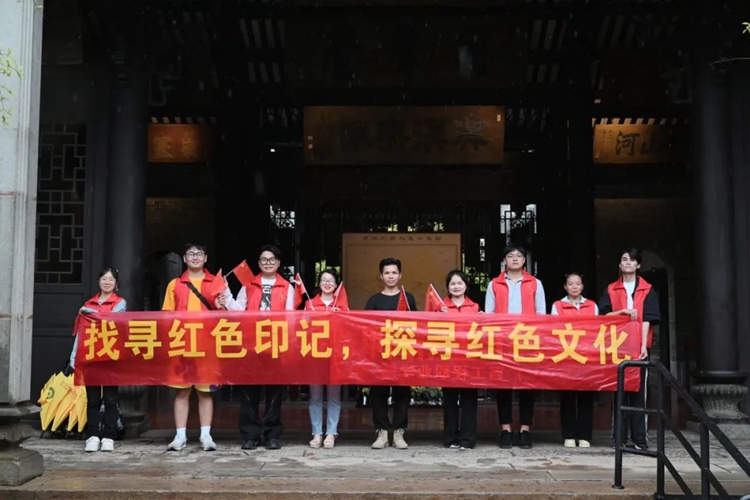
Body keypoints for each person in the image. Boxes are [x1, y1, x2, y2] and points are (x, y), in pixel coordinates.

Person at [220, 244, 295, 450]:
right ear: (259, 263)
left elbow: (291, 318)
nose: (268, 263)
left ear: (278, 263)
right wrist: (226, 294)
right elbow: (238, 310)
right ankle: (250, 435)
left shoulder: (287, 288)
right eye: (264, 260)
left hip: (276, 345)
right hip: (251, 345)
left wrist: (288, 345)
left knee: (274, 392)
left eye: (272, 260)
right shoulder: (249, 285)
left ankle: (272, 434)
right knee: (249, 391)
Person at [485, 243, 546, 449]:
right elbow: (489, 315)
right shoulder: (494, 284)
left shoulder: (535, 283)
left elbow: (541, 314)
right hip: (502, 342)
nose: (514, 258)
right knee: (502, 387)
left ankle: (525, 430)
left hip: (527, 341)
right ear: (504, 260)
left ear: (524, 260)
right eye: (510, 255)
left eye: (519, 255)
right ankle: (506, 430)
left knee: (527, 387)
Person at [598, 247, 660, 450]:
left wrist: (643, 346)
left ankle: (640, 438)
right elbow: (603, 315)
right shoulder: (611, 289)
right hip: (618, 346)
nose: (628, 263)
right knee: (619, 392)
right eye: (624, 259)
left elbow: (648, 319)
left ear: (638, 265)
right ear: (619, 264)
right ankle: (619, 437)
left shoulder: (647, 289)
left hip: (639, 346)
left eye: (632, 260)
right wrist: (622, 312)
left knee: (639, 393)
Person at [161, 243, 218, 452]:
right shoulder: (175, 284)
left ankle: (206, 435)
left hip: (207, 345)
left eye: (199, 253)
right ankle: (180, 436)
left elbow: (226, 313)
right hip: (182, 345)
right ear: (184, 258)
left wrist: (222, 303)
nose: (195, 257)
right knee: (182, 392)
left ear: (206, 258)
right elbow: (166, 315)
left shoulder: (216, 283)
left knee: (205, 392)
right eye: (191, 254)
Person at [69, 267, 126, 453]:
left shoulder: (120, 303)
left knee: (110, 399)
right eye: (104, 279)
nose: (107, 282)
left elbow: (110, 320)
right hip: (91, 355)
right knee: (92, 399)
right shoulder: (89, 303)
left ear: (116, 283)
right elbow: (81, 333)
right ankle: (93, 435)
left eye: (111, 279)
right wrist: (74, 356)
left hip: (110, 357)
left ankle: (109, 436)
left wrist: (88, 312)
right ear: (98, 281)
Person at [364, 257, 417, 450]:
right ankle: (382, 431)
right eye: (387, 273)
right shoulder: (374, 300)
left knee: (402, 393)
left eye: (394, 272)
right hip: (380, 355)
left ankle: (399, 431)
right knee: (378, 393)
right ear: (381, 276)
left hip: (402, 353)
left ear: (400, 275)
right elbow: (366, 328)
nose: (391, 276)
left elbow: (417, 325)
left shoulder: (408, 298)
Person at [551, 272, 598, 448]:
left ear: (582, 286)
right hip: (566, 356)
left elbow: (597, 329)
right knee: (567, 397)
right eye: (570, 284)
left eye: (577, 283)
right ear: (565, 287)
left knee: (586, 396)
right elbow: (553, 329)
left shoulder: (592, 305)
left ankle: (585, 435)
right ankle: (569, 434)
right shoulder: (557, 305)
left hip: (587, 356)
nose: (574, 287)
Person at [306, 269, 349, 449]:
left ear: (336, 284)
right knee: (315, 396)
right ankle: (316, 433)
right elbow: (302, 327)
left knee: (333, 397)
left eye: (331, 280)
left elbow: (348, 329)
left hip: (335, 356)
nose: (327, 283)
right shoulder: (310, 303)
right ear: (319, 283)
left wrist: (340, 315)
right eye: (324, 280)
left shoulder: (342, 305)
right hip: (314, 356)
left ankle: (331, 433)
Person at [440, 270, 480, 450]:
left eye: (460, 283)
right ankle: (451, 438)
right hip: (447, 359)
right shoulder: (440, 307)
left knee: (469, 399)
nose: (456, 287)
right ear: (448, 287)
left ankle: (467, 439)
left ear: (466, 285)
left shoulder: (475, 307)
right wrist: (437, 315)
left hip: (470, 360)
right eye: (452, 283)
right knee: (449, 399)